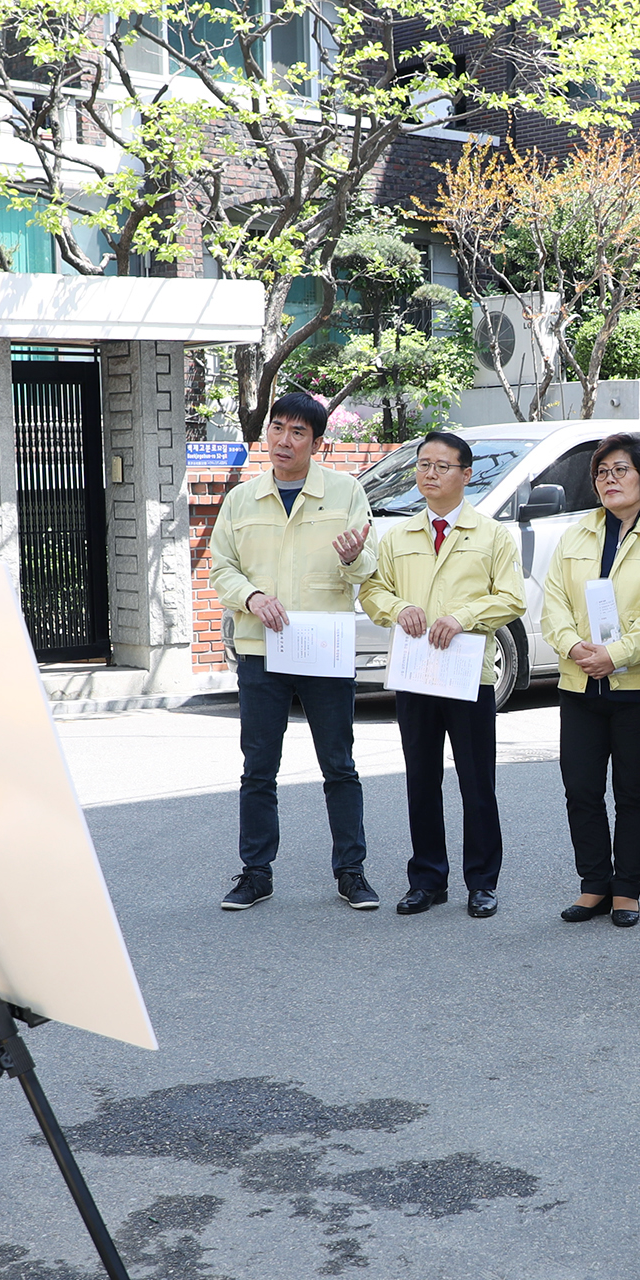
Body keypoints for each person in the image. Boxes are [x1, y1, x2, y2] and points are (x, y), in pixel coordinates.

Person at [207, 393, 378, 913]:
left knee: (339, 765)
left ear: (317, 442)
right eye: (277, 428)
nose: (284, 439)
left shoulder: (346, 493)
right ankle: (256, 873)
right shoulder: (241, 499)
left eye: (297, 432)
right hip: (261, 648)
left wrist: (353, 558)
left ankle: (351, 872)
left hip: (323, 649)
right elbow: (221, 569)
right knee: (258, 766)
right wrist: (252, 597)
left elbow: (368, 566)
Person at [362, 431, 526, 918]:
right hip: (416, 674)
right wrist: (399, 607)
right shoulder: (399, 536)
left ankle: (482, 882)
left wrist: (463, 618)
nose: (429, 474)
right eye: (423, 464)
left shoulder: (492, 534)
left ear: (466, 475)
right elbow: (373, 593)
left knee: (477, 783)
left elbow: (512, 597)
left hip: (467, 675)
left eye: (441, 466)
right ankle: (428, 879)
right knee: (421, 779)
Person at [540, 434, 640, 929]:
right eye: (602, 472)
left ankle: (627, 890)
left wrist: (616, 655)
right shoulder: (576, 535)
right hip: (578, 683)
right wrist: (573, 647)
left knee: (633, 791)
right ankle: (594, 885)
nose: (609, 480)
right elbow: (554, 602)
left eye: (620, 470)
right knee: (580, 789)